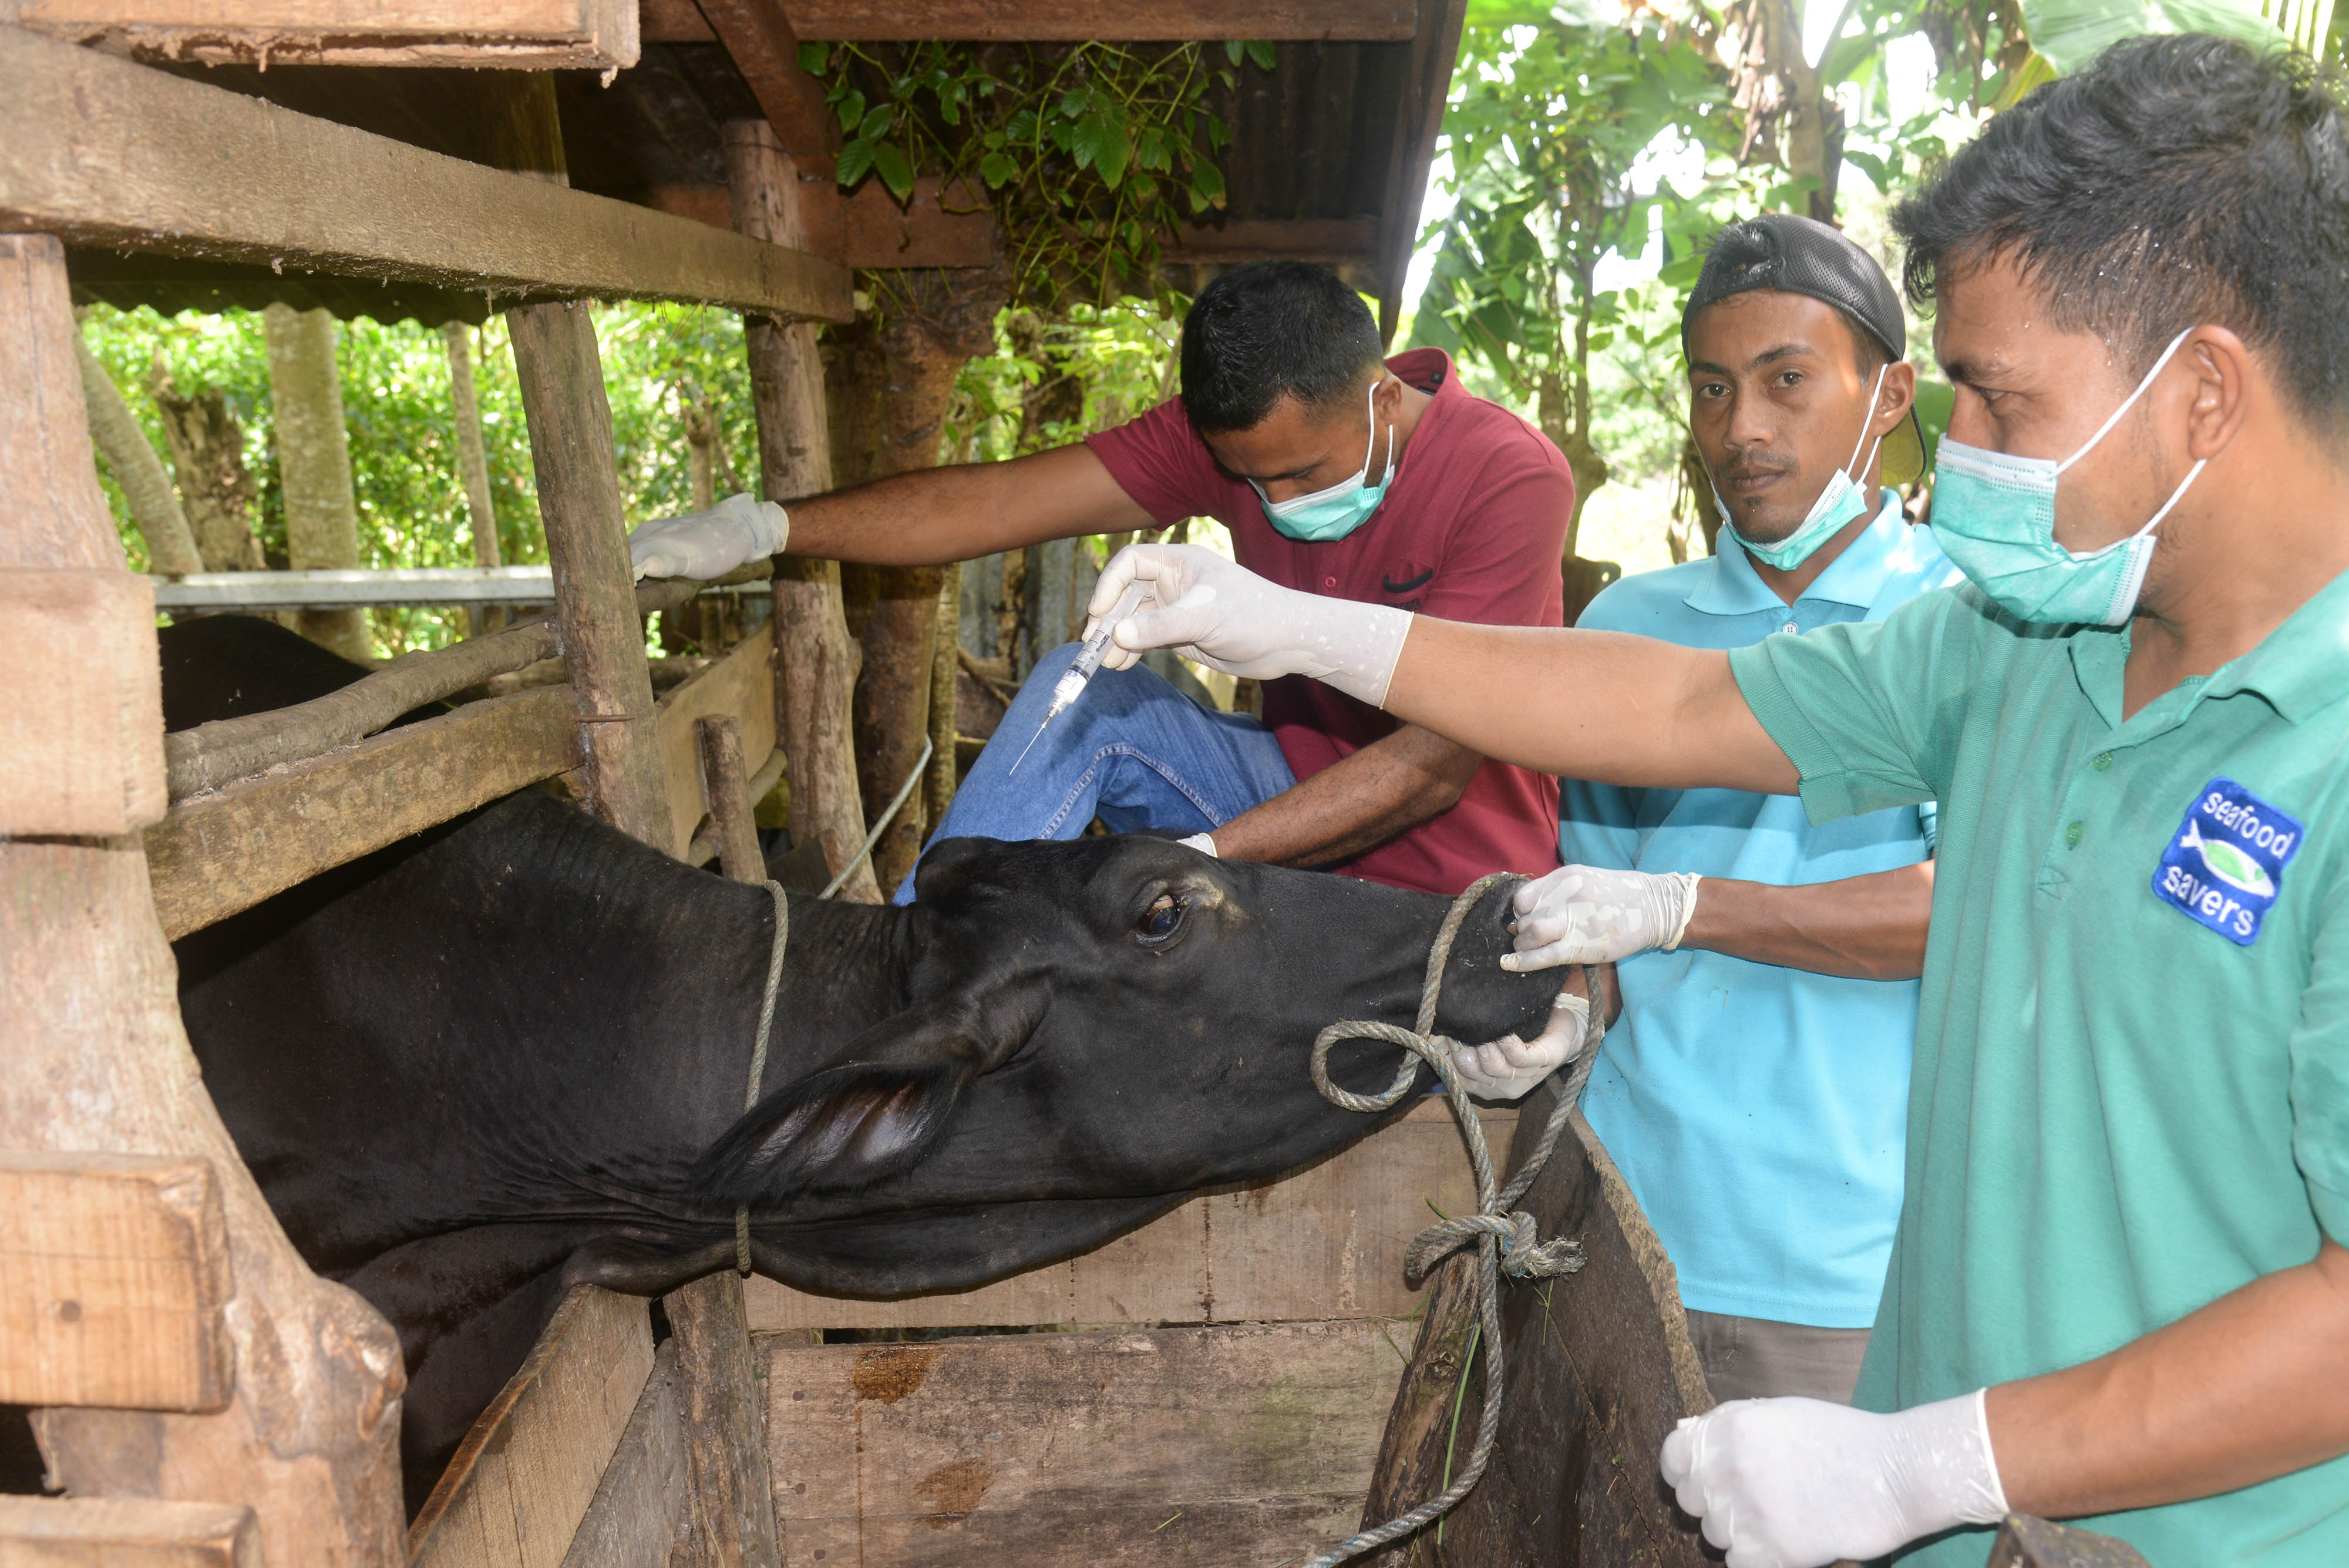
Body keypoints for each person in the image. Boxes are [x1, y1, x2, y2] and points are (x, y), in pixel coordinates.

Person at [1079, 34, 2349, 1568]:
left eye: (2000, 403)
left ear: (2202, 391)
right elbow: (1679, 704)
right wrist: (1299, 625)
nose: (1961, 461)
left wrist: (1934, 1459)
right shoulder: (2026, 646)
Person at [631, 261, 1576, 905]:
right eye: (1251, 481)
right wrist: (768, 528)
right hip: (1295, 789)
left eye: (1302, 473)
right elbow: (999, 502)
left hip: (1458, 877)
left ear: (1382, 399)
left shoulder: (1508, 475)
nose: (1278, 501)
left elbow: (1433, 766)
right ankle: (917, 956)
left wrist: (1195, 861)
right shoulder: (1238, 438)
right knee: (1082, 696)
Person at [1529, 213, 1961, 1406]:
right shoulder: (1628, 626)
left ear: (1888, 396)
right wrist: (1558, 1013)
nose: (1742, 430)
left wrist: (1690, 907)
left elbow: (1967, 912)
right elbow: (1598, 916)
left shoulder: (1967, 622)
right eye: (1712, 388)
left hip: (1856, 1269)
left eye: (1786, 381)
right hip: (1620, 1234)